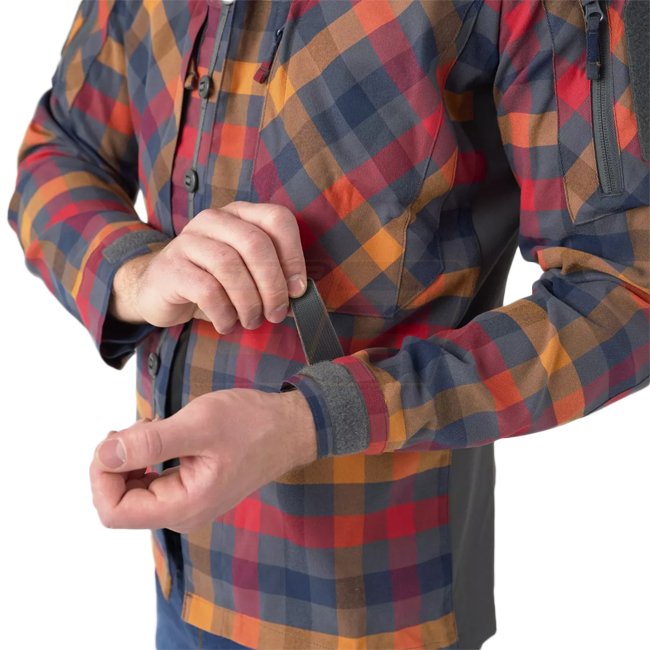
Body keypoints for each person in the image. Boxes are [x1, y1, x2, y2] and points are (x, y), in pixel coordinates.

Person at [8, 0, 649, 648]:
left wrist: (312, 420)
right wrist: (134, 273)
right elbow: (58, 152)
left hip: (380, 608)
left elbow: (624, 289)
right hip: (182, 577)